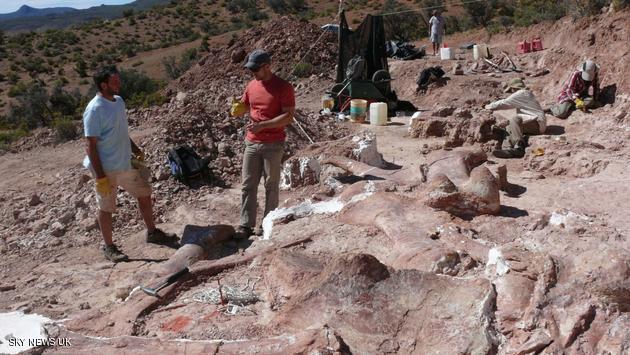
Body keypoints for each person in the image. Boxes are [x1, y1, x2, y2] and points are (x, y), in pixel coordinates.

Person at [83, 65, 178, 262]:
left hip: (125, 162)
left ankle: (152, 232)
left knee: (144, 193)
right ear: (103, 84)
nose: (119, 83)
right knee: (106, 207)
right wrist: (100, 176)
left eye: (119, 79)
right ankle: (109, 247)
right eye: (115, 81)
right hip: (106, 168)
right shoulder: (94, 109)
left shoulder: (118, 102)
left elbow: (121, 131)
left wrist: (136, 150)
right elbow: (89, 145)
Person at [230, 49, 295, 239]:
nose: (253, 73)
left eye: (256, 69)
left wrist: (263, 126)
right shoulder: (252, 85)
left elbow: (288, 116)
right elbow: (245, 104)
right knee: (248, 184)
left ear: (267, 66)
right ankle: (245, 225)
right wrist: (238, 108)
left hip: (273, 143)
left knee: (271, 184)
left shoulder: (283, 87)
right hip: (252, 142)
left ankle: (268, 222)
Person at [485, 78, 547, 159]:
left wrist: (488, 106)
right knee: (509, 126)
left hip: (537, 124)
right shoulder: (526, 94)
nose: (511, 92)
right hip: (535, 123)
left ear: (513, 88)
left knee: (515, 119)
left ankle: (519, 147)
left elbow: (504, 103)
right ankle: (507, 149)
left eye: (511, 90)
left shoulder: (522, 93)